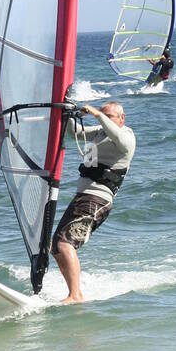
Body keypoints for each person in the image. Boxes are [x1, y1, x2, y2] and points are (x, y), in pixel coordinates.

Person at [51, 101, 136, 304]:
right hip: (83, 197)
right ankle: (74, 292)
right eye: (104, 115)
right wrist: (67, 111)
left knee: (65, 243)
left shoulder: (127, 137)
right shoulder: (100, 133)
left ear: (121, 119)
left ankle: (75, 295)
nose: (105, 119)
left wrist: (98, 114)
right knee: (56, 245)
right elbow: (75, 133)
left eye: (110, 116)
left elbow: (118, 137)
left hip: (97, 199)